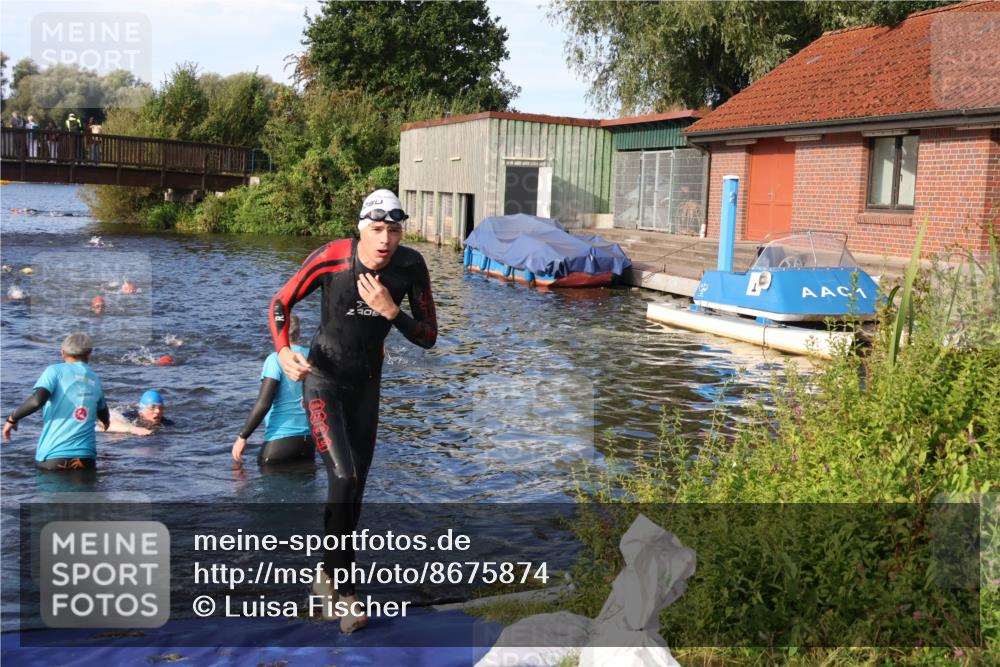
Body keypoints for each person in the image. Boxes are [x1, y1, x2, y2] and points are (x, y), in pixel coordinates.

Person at [268, 189, 437, 633]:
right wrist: (283, 350)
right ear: (362, 229)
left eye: (394, 231)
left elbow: (428, 336)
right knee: (343, 477)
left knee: (355, 488)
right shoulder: (333, 258)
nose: (385, 240)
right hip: (323, 378)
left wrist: (392, 312)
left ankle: (325, 573)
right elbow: (281, 303)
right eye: (377, 229)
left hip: (366, 386)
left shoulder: (410, 266)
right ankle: (346, 594)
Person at [2, 333, 110, 470]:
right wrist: (105, 421)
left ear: (62, 352)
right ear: (89, 354)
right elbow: (103, 413)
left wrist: (12, 418)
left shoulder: (54, 371)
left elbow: (37, 401)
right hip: (86, 458)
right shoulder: (95, 378)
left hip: (53, 456)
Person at [232, 314, 313, 467]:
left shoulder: (275, 359)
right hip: (308, 443)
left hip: (279, 442)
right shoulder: (311, 356)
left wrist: (243, 437)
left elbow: (264, 403)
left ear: (276, 334)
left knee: (239, 473)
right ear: (299, 332)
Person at [108, 390, 173, 432]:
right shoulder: (131, 417)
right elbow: (108, 424)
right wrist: (133, 429)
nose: (158, 411)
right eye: (153, 407)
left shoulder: (166, 423)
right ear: (142, 409)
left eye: (161, 408)